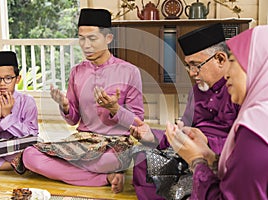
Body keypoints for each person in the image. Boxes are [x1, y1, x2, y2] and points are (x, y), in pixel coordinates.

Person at [21, 8, 144, 194]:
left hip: (114, 144)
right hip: (82, 141)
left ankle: (89, 170)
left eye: (92, 39)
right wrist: (64, 105)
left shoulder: (130, 71)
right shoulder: (77, 72)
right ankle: (106, 177)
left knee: (109, 160)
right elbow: (73, 120)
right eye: (81, 38)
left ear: (108, 38)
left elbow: (138, 122)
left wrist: (115, 108)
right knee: (30, 156)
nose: (86, 45)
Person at [130, 23, 240, 200]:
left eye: (196, 65)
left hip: (221, 157)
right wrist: (151, 136)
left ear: (220, 59)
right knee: (143, 156)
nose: (191, 73)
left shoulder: (238, 88)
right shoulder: (196, 92)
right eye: (188, 66)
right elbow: (182, 129)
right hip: (188, 149)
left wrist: (206, 143)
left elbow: (245, 141)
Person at [165, 25, 268, 200]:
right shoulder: (198, 93)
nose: (227, 72)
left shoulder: (256, 126)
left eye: (233, 61)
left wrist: (198, 160)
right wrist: (209, 157)